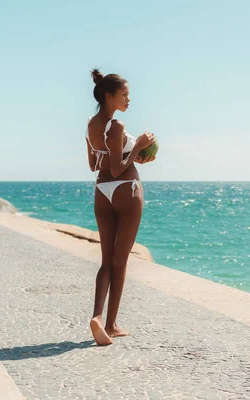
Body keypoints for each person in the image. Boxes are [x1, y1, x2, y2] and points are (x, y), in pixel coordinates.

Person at [85, 69, 156, 346]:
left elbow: (95, 165)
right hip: (126, 190)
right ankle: (111, 325)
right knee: (120, 260)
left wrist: (134, 154)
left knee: (106, 262)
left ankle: (97, 317)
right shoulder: (117, 126)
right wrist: (137, 145)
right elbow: (117, 169)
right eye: (124, 95)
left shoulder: (91, 126)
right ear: (108, 96)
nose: (128, 100)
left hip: (102, 192)